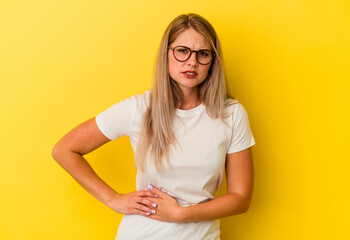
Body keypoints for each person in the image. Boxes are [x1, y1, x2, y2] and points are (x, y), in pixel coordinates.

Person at [52, 13, 255, 240]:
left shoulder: (231, 114)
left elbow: (240, 198)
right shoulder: (139, 109)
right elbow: (64, 150)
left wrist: (181, 214)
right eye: (182, 50)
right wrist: (113, 198)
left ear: (213, 61)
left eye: (203, 54)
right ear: (166, 53)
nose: (192, 62)